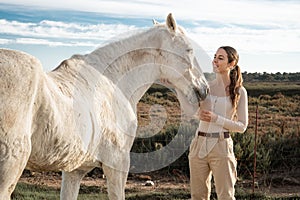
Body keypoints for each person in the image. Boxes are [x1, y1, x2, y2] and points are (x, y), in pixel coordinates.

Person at [188, 46, 248, 200]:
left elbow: (242, 126)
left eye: (220, 58)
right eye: (215, 56)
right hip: (198, 145)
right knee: (197, 196)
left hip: (221, 146)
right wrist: (197, 113)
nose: (215, 60)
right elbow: (191, 111)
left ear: (231, 64)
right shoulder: (204, 87)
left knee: (226, 196)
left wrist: (216, 119)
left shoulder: (239, 91)